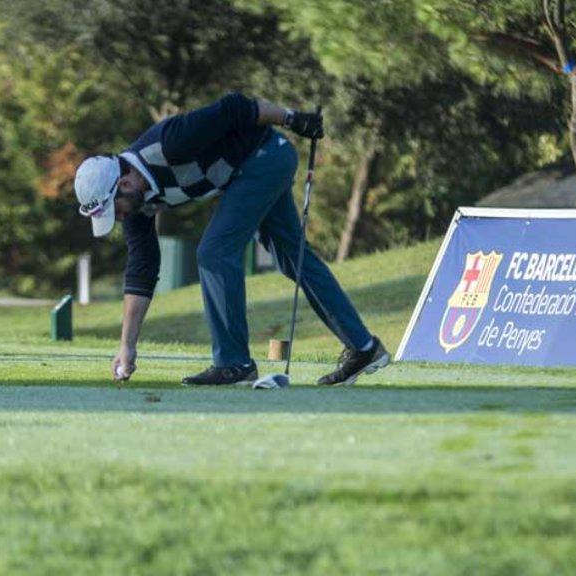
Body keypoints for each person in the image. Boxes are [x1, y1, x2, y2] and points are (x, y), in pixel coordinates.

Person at [73, 92, 391, 386]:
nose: (120, 217)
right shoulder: (138, 203)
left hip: (266, 156)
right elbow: (141, 272)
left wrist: (292, 118)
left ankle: (234, 363)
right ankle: (363, 347)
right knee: (292, 256)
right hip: (250, 170)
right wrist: (127, 347)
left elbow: (236, 107)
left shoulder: (171, 143)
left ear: (125, 181)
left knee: (214, 251)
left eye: (115, 207)